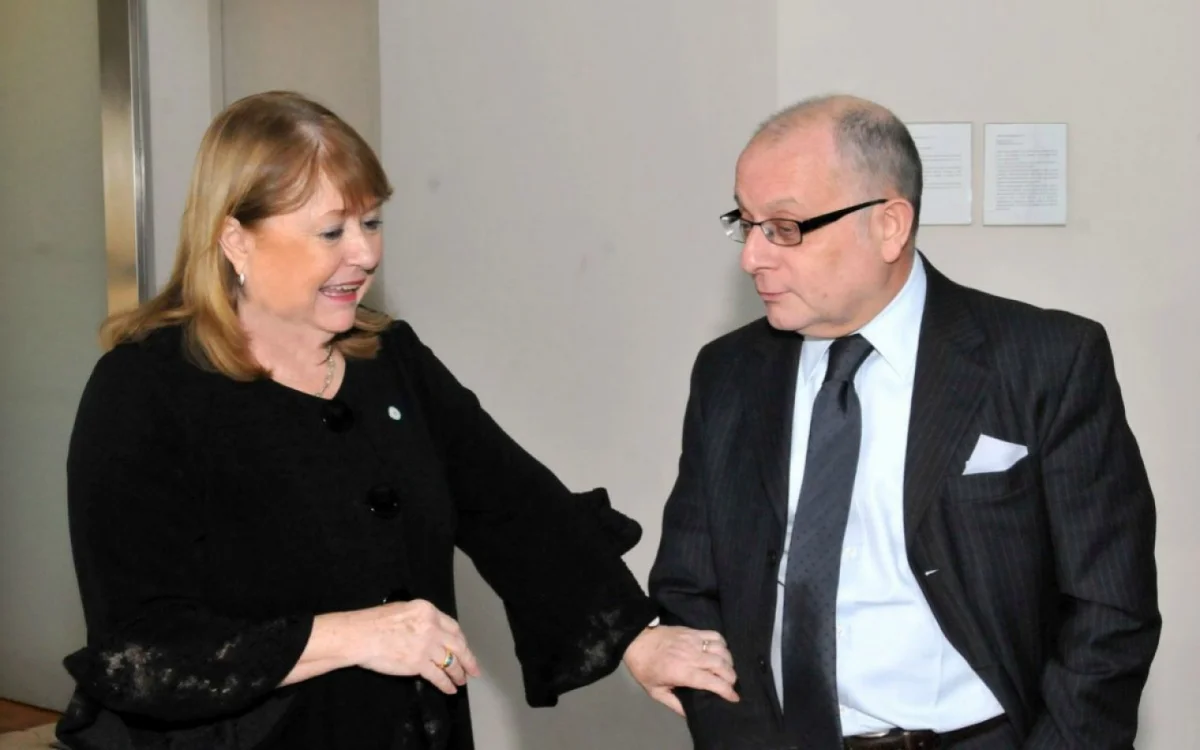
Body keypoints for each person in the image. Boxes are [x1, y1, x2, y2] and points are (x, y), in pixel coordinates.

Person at [56, 90, 725, 750]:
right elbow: (138, 649)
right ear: (237, 239)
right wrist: (350, 636)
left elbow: (515, 508)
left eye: (371, 223)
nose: (365, 254)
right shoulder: (145, 390)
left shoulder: (390, 359)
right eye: (332, 231)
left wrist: (635, 637)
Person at [643, 95, 1161, 749]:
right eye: (745, 224)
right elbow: (691, 589)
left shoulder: (1044, 360)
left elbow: (1109, 609)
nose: (752, 257)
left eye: (785, 227)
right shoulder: (728, 374)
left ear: (889, 225)